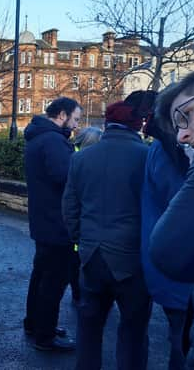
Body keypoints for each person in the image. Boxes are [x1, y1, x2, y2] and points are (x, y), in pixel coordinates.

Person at [63, 98, 152, 370]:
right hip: (132, 259)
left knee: (89, 328)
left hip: (92, 256)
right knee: (133, 331)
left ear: (108, 123)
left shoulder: (80, 157)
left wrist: (82, 240)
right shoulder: (147, 157)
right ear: (136, 124)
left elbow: (69, 209)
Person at [23, 97, 82, 352]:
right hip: (58, 223)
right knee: (54, 281)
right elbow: (67, 177)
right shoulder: (54, 141)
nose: (76, 126)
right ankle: (45, 336)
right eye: (75, 119)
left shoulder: (39, 137)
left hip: (43, 220)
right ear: (62, 115)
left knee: (41, 275)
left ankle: (35, 323)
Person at [141, 102, 193, 370]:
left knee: (177, 337)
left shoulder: (157, 149)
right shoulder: (175, 154)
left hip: (164, 264)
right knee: (182, 342)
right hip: (181, 265)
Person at [69, 126, 103, 306]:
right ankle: (79, 292)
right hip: (85, 223)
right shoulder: (80, 159)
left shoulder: (74, 155)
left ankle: (77, 291)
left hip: (78, 223)